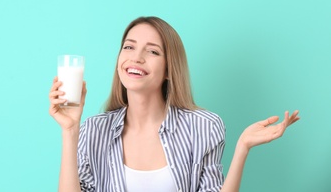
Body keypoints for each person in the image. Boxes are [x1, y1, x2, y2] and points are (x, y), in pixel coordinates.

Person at [48, 16, 300, 192]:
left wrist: (242, 148)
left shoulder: (204, 126)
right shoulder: (93, 130)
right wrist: (70, 131)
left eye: (153, 51)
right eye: (129, 47)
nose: (136, 57)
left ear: (169, 69)